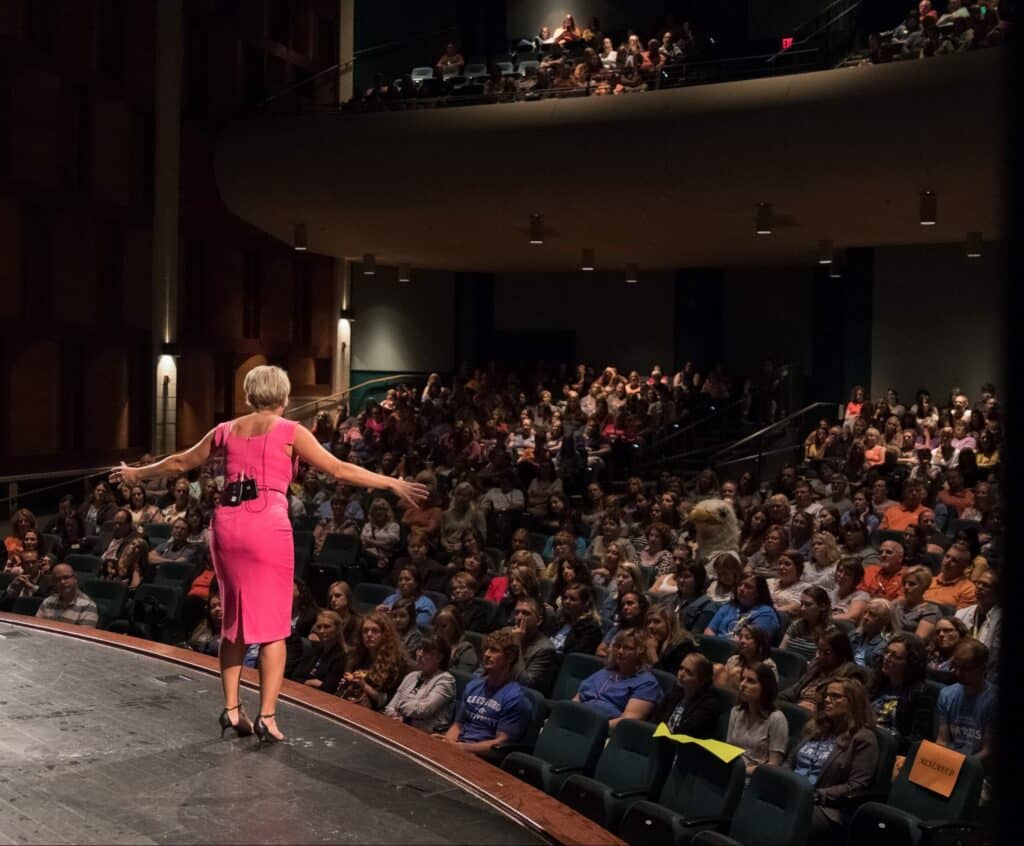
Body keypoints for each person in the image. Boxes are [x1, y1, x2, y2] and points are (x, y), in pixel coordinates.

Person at [110, 365, 427, 745]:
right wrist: (390, 481)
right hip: (266, 525)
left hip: (226, 525)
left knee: (234, 620)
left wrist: (135, 474)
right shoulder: (291, 431)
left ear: (249, 395)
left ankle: (231, 707)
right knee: (274, 627)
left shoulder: (226, 430)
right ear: (284, 395)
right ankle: (267, 716)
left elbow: (179, 463)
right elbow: (338, 470)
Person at [789, 678, 879, 844]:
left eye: (836, 696)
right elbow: (790, 761)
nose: (827, 700)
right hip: (792, 792)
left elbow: (856, 786)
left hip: (825, 807)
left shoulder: (863, 739)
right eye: (827, 695)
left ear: (853, 702)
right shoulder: (815, 727)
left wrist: (816, 795)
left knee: (785, 819)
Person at [441, 628, 533, 755]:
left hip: (482, 757)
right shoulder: (473, 686)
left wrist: (461, 748)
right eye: (486, 649)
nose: (486, 654)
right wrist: (448, 742)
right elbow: (458, 725)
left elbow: (500, 744)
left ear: (510, 657)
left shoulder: (515, 698)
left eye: (494, 650)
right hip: (459, 747)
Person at [574, 629, 663, 727]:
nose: (620, 651)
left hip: (604, 731)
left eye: (628, 648)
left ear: (640, 652)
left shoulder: (647, 683)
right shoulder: (606, 671)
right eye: (618, 647)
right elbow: (578, 698)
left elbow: (628, 721)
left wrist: (594, 728)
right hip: (579, 721)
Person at [868, 634, 937, 754]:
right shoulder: (876, 684)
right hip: (865, 742)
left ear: (909, 663)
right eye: (887, 652)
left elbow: (916, 739)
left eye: (895, 656)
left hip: (891, 751)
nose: (887, 658)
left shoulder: (921, 693)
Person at [780, 627, 867, 713]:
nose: (819, 656)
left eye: (827, 652)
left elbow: (839, 710)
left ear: (841, 653)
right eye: (819, 650)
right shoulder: (816, 666)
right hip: (797, 710)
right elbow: (793, 691)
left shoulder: (850, 674)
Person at [936, 639, 995, 763]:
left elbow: (988, 751)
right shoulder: (946, 694)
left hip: (977, 768)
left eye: (966, 668)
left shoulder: (994, 699)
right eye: (956, 666)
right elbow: (942, 740)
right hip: (949, 764)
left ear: (982, 668)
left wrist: (961, 767)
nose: (958, 673)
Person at [339, 610, 408, 711]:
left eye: (375, 631)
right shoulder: (358, 655)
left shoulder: (396, 664)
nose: (369, 634)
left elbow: (386, 701)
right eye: (365, 630)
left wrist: (364, 686)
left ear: (385, 635)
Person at [385, 637, 456, 734]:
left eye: (426, 651)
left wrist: (401, 708)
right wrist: (395, 716)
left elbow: (423, 710)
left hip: (425, 735)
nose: (419, 654)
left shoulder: (446, 680)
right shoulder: (412, 676)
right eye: (419, 649)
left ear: (439, 657)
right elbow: (390, 707)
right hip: (398, 727)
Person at [728, 663, 789, 775]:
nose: (742, 684)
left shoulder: (777, 719)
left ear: (765, 687)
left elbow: (773, 766)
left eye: (750, 681)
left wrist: (742, 772)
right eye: (742, 679)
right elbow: (728, 749)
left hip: (755, 779)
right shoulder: (736, 711)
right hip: (732, 771)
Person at [651, 653, 720, 737]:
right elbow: (655, 720)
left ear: (702, 681)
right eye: (681, 668)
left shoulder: (708, 704)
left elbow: (687, 731)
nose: (681, 674)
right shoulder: (675, 692)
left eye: (689, 672)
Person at [705, 575, 780, 642]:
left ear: (758, 593)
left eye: (748, 587)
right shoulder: (729, 606)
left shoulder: (766, 614)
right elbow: (709, 631)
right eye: (740, 585)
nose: (741, 589)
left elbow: (750, 642)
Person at [955, 569, 1000, 681]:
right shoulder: (962, 613)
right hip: (959, 670)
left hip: (987, 677)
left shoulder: (1000, 620)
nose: (979, 587)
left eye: (986, 585)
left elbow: (994, 658)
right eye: (978, 583)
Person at [292, 610, 348, 694]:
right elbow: (295, 677)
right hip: (301, 692)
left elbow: (328, 688)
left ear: (337, 630)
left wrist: (305, 681)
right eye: (319, 627)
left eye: (327, 627)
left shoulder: (340, 656)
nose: (321, 631)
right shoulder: (313, 649)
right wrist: (311, 682)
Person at [714, 623, 778, 693]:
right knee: (718, 669)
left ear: (759, 642)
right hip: (729, 697)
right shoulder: (734, 660)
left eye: (747, 637)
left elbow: (770, 692)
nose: (742, 641)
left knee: (736, 673)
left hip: (752, 699)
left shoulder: (768, 665)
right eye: (740, 637)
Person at [511, 596, 557, 693]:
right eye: (517, 612)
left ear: (539, 620)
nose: (519, 617)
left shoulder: (545, 648)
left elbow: (525, 684)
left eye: (525, 613)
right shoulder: (505, 633)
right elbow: (483, 669)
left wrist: (516, 644)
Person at [35, 563, 99, 627]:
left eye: (66, 577)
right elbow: (36, 627)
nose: (62, 582)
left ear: (75, 578)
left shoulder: (88, 606)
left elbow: (84, 634)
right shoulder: (47, 602)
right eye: (58, 580)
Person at [780, 587, 833, 663]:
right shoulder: (797, 624)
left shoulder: (829, 631)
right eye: (802, 604)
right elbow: (781, 649)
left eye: (808, 605)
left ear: (822, 607)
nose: (802, 608)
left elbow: (822, 662)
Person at [550, 582, 603, 656]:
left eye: (573, 599)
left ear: (585, 604)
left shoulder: (590, 629)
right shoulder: (560, 620)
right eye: (565, 598)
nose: (567, 602)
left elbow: (573, 656)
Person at [643, 605, 698, 674]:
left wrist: (652, 653)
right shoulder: (651, 641)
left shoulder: (683, 646)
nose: (650, 626)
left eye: (657, 621)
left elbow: (669, 681)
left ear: (670, 624)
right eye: (648, 622)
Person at [923, 542, 977, 610]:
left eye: (954, 560)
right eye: (947, 556)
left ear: (963, 567)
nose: (947, 561)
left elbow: (958, 618)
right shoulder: (929, 580)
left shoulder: (968, 589)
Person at [892, 565, 940, 639]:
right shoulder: (897, 603)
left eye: (912, 584)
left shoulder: (930, 611)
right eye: (904, 583)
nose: (906, 587)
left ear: (924, 587)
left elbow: (918, 640)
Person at [668, 560, 717, 633]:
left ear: (698, 579)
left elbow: (695, 636)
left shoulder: (707, 606)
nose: (681, 580)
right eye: (679, 576)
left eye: (686, 577)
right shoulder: (668, 599)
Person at [849, 598, 896, 670]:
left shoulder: (887, 645)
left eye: (872, 615)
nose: (865, 617)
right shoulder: (854, 635)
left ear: (884, 621)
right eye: (865, 612)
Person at [433, 605, 478, 673]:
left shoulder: (466, 651)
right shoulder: (432, 644)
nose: (438, 630)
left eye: (443, 626)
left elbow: (461, 678)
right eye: (436, 626)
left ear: (455, 627)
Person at [767, 550, 811, 615]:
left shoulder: (805, 588)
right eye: (780, 563)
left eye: (787, 564)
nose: (781, 567)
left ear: (798, 568)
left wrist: (767, 611)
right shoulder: (768, 582)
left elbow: (794, 608)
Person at [830, 559, 870, 624]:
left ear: (856, 579)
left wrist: (826, 619)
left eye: (847, 574)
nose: (842, 576)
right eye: (840, 571)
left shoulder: (861, 596)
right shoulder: (832, 593)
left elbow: (852, 617)